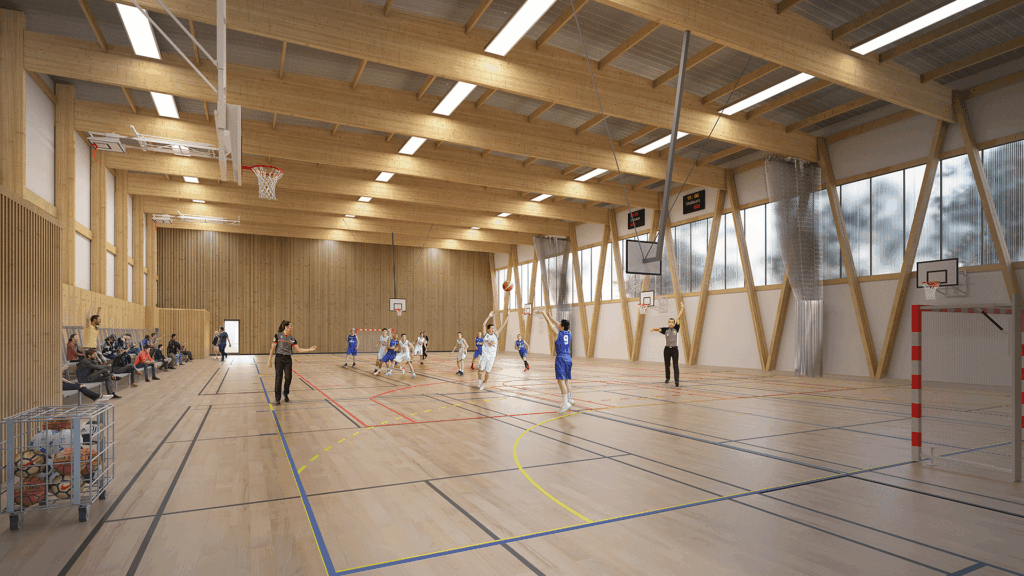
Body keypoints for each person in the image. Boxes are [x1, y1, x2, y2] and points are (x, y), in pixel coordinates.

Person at [267, 320, 316, 405]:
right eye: (291, 326)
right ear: (286, 327)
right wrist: (269, 360)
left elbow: (298, 349)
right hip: (279, 358)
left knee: (288, 377)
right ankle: (277, 398)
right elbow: (272, 348)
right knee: (278, 378)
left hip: (288, 359)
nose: (292, 328)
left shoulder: (292, 339)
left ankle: (285, 393)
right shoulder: (277, 336)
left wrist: (309, 349)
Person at [540, 310, 574, 414]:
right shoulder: (569, 333)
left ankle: (565, 403)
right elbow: (558, 324)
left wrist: (544, 314)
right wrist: (551, 317)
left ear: (562, 327)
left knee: (561, 381)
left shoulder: (557, 333)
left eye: (560, 325)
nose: (558, 325)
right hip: (568, 358)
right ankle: (570, 399)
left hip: (561, 358)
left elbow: (550, 325)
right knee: (566, 381)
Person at [476, 312, 508, 390]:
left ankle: (484, 383)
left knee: (487, 372)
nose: (493, 329)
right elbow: (483, 324)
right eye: (491, 328)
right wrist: (489, 316)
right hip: (484, 355)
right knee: (480, 371)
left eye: (494, 328)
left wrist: (508, 316)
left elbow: (503, 325)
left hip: (492, 357)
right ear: (488, 329)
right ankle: (479, 379)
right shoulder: (486, 335)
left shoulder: (496, 334)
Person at [650, 318, 682, 386]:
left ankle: (676, 380)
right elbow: (659, 329)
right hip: (667, 349)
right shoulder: (665, 330)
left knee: (675, 365)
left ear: (674, 323)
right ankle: (667, 378)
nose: (671, 323)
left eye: (672, 322)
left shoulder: (676, 328)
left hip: (675, 350)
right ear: (668, 323)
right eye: (670, 322)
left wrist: (680, 312)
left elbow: (678, 319)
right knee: (667, 365)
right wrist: (653, 329)